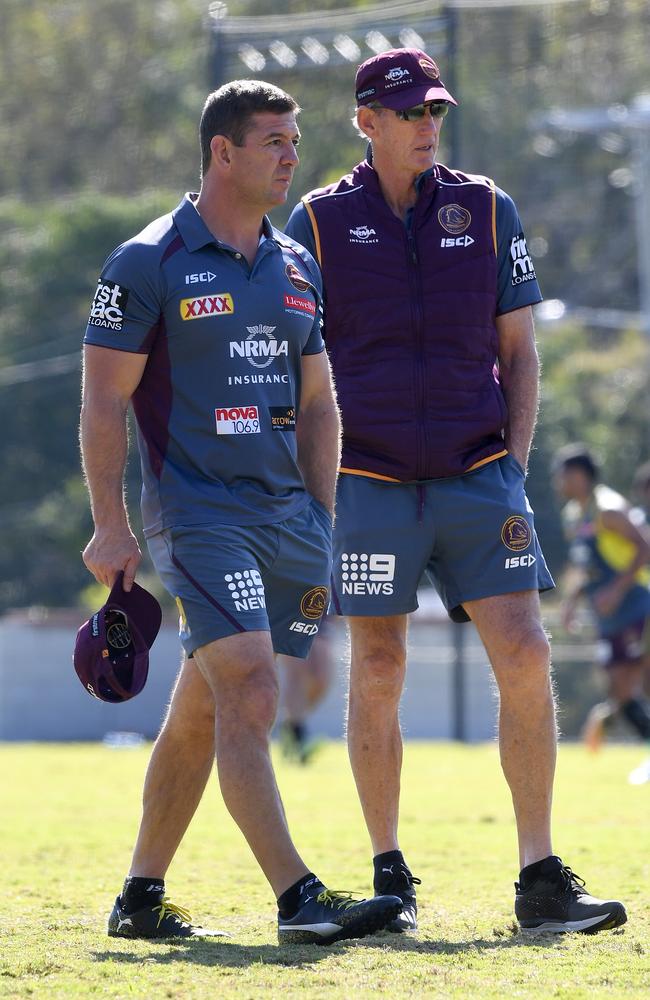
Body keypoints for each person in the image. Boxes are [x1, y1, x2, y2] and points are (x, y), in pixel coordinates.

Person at [284, 48, 626, 934]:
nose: (426, 125)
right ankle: (389, 875)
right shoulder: (318, 222)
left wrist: (511, 464)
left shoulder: (486, 207)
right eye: (407, 113)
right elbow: (297, 366)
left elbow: (518, 350)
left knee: (526, 652)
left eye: (435, 110)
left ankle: (540, 877)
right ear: (366, 121)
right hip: (368, 481)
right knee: (382, 666)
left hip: (479, 474)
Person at [80, 79, 402, 945]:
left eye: (295, 140)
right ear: (223, 151)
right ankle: (299, 897)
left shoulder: (296, 265)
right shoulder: (146, 262)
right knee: (253, 690)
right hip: (195, 513)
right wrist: (110, 523)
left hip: (289, 518)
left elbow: (321, 401)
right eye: (274, 140)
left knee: (206, 707)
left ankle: (139, 898)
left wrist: (323, 514)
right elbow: (103, 402)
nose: (293, 155)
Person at [552, 444, 650, 763]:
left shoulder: (609, 508)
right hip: (609, 618)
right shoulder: (574, 514)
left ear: (580, 475)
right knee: (618, 691)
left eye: (562, 474)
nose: (558, 481)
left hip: (637, 607)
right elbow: (586, 567)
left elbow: (644, 548)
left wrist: (616, 591)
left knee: (633, 685)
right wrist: (570, 602)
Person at [278, 620, 335, 764]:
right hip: (290, 611)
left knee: (322, 679)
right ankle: (298, 734)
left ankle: (290, 724)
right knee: (296, 673)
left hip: (320, 613)